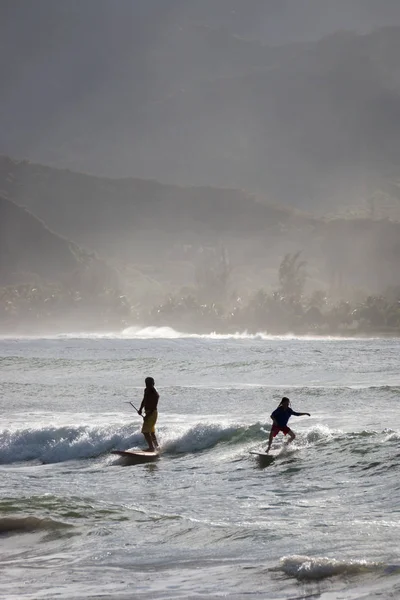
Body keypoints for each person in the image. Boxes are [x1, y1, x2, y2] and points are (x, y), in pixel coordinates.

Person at [138, 377, 159, 452]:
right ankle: (157, 447)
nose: (147, 385)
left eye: (149, 383)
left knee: (145, 432)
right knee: (151, 431)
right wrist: (140, 409)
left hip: (152, 413)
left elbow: (157, 397)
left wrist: (149, 414)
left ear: (153, 384)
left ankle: (151, 448)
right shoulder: (146, 390)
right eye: (146, 383)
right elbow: (144, 400)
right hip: (148, 412)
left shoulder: (153, 391)